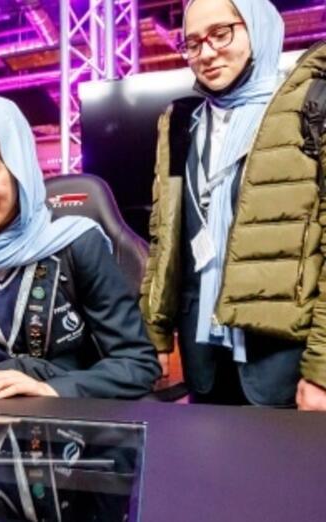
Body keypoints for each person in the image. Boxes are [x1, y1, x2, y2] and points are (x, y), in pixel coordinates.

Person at [0, 95, 160, 399]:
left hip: (57, 425)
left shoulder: (78, 243)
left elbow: (137, 364)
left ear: (19, 165)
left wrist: (50, 389)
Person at [140, 0, 326, 409]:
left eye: (221, 34)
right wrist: (153, 333)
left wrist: (322, 370)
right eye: (192, 43)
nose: (206, 54)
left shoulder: (310, 107)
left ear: (257, 29)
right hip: (202, 348)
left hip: (282, 357)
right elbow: (165, 239)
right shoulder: (181, 122)